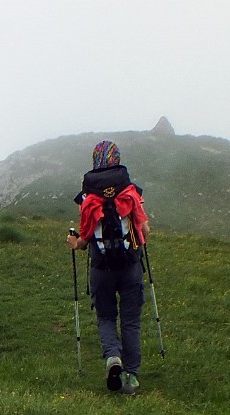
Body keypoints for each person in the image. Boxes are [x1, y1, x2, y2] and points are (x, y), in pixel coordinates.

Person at [66, 141, 151, 395]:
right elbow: (144, 231)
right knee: (131, 321)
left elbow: (84, 239)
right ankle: (131, 378)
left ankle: (113, 357)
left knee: (105, 317)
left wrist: (74, 243)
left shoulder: (87, 197)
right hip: (130, 267)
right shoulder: (131, 191)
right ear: (117, 160)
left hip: (102, 270)